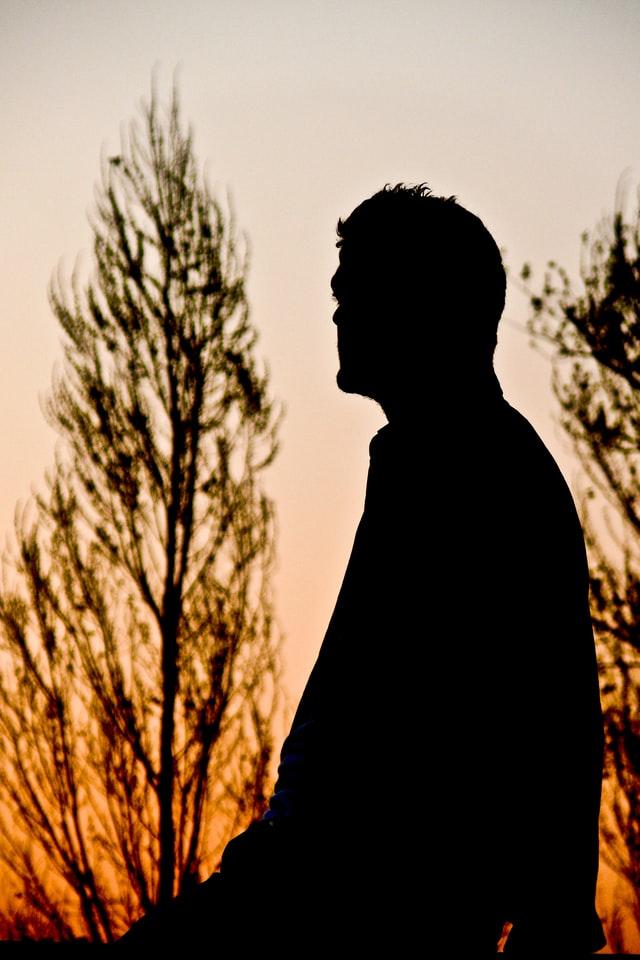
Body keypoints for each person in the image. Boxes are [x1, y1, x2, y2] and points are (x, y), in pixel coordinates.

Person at [118, 184, 606, 954]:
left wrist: (558, 908)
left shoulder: (468, 462)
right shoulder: (447, 454)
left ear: (422, 303)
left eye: (358, 292)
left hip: (364, 896)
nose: (339, 313)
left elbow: (556, 697)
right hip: (338, 879)